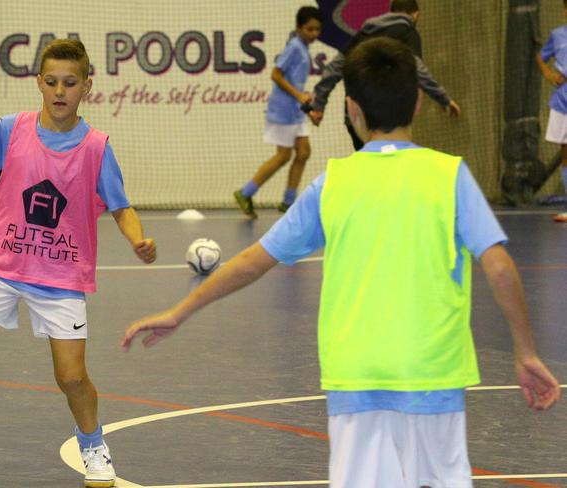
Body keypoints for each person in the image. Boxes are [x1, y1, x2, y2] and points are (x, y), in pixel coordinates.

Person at [122, 38, 560, 487]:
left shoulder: (333, 183)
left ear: (351, 109)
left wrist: (180, 311)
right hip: (434, 378)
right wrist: (524, 351)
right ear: (417, 103)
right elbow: (501, 267)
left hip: (356, 380)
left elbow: (254, 261)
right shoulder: (450, 175)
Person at [0, 39, 156, 488]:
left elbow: (122, 206)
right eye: (51, 82)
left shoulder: (97, 147)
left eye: (70, 83)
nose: (60, 91)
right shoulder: (13, 129)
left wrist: (138, 239)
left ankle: (94, 448)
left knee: (71, 377)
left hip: (61, 276)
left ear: (87, 86)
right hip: (2, 267)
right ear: (38, 83)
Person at [306, 0, 460, 150]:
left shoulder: (361, 35)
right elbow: (418, 69)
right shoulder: (407, 33)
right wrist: (443, 98)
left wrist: (318, 104)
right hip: (388, 119)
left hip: (357, 119)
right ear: (416, 15)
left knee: (369, 167)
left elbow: (332, 70)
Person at [233, 6, 322, 218]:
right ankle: (245, 193)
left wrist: (307, 106)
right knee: (283, 155)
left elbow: (295, 84)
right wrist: (299, 97)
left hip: (296, 111)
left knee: (304, 152)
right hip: (283, 110)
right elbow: (276, 75)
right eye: (309, 29)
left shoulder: (303, 47)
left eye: (317, 29)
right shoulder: (294, 47)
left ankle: (288, 202)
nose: (314, 34)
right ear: (299, 28)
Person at [536, 0, 567, 222]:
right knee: (566, 153)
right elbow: (540, 56)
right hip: (562, 103)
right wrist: (549, 75)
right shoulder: (557, 35)